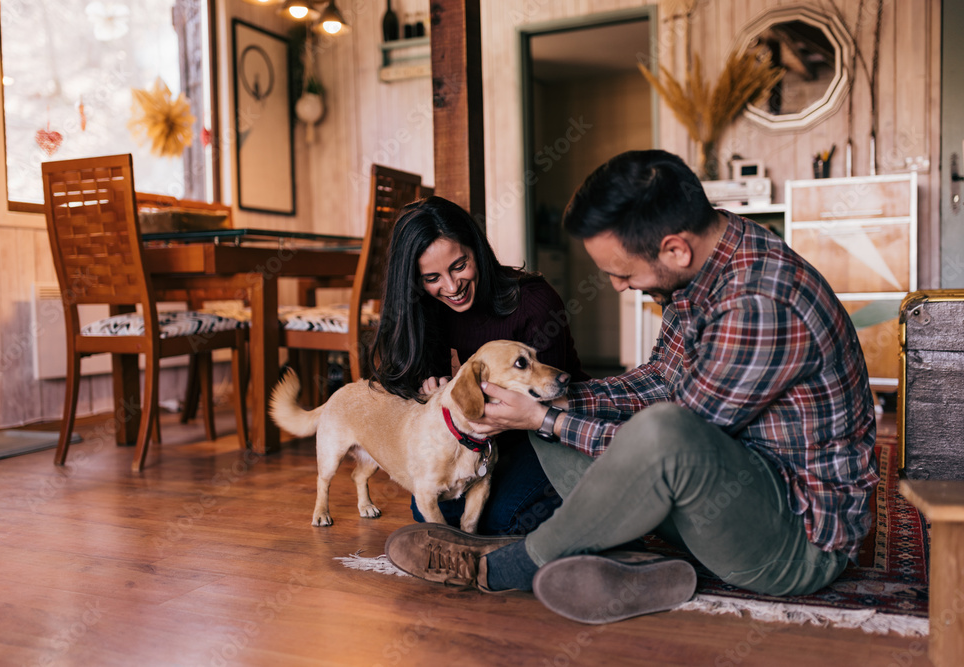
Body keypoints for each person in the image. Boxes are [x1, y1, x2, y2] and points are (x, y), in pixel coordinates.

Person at [385, 150, 879, 624]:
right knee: (551, 409)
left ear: (674, 249)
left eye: (622, 274)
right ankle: (628, 564)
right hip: (720, 500)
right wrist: (546, 407)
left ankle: (504, 568)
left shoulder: (758, 304)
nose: (619, 286)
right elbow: (660, 378)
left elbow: (672, 440)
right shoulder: (707, 263)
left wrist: (547, 418)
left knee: (630, 427)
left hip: (793, 541)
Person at [367, 195, 589, 536]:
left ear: (477, 249)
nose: (452, 287)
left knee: (499, 518)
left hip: (545, 429)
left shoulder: (534, 301)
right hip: (478, 436)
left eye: (459, 266)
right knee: (431, 504)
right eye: (432, 278)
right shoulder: (430, 310)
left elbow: (551, 394)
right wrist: (433, 388)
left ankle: (591, 501)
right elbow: (435, 392)